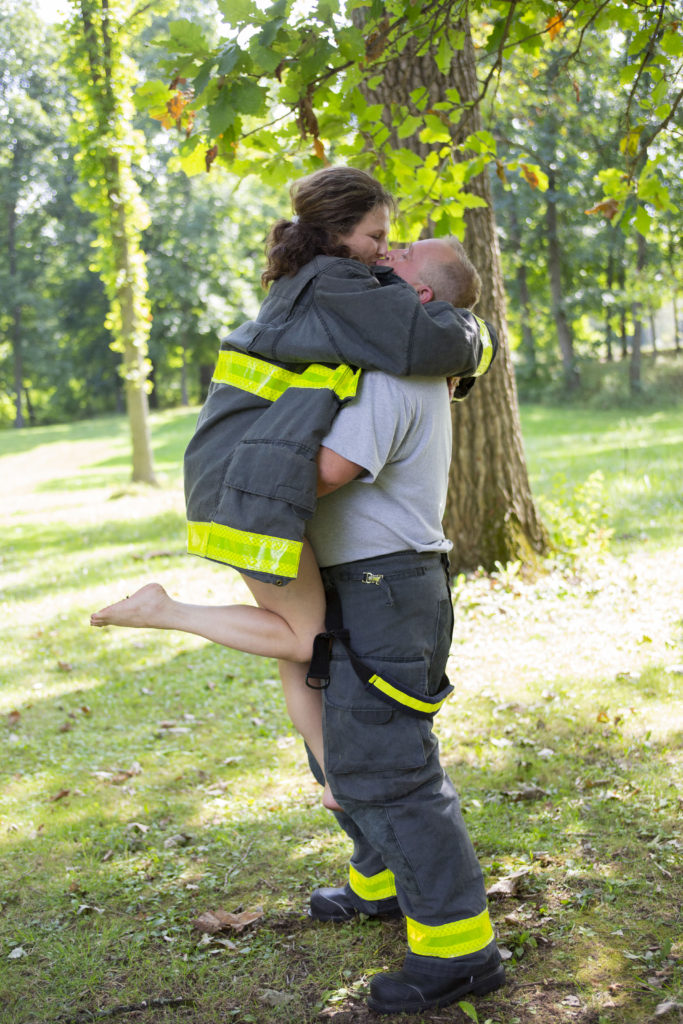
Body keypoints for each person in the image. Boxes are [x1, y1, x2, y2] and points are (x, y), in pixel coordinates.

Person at [90, 219, 491, 814]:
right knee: (305, 640)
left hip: (235, 484)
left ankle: (333, 777)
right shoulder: (358, 316)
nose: (390, 251)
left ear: (421, 296)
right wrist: (473, 344)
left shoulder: (353, 319)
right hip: (248, 492)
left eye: (403, 253)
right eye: (384, 237)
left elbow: (441, 338)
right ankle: (165, 609)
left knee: (300, 647)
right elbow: (334, 463)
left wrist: (468, 345)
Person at [301, 238, 506, 1013]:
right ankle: (378, 881)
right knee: (338, 744)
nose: (380, 263)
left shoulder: (396, 370)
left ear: (419, 299)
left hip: (384, 586)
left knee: (392, 771)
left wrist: (237, 466)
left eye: (397, 264)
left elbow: (325, 473)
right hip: (363, 582)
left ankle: (459, 950)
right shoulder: (394, 356)